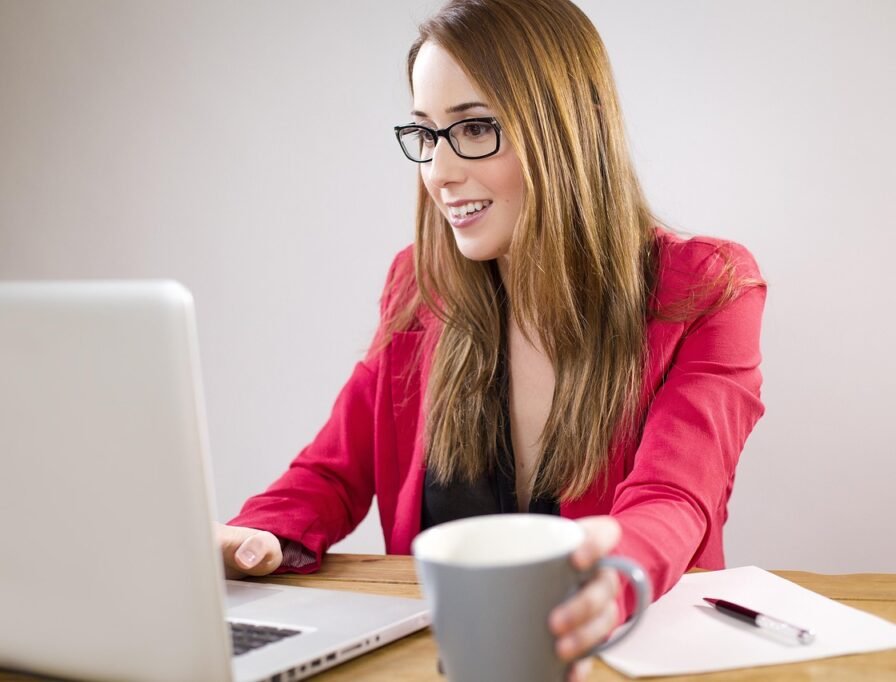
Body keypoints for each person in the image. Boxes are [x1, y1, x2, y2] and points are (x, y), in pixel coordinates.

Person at [218, 0, 766, 678]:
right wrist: (252, 536)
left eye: (475, 128)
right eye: (427, 133)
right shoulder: (419, 288)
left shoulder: (707, 287)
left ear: (565, 131)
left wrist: (611, 572)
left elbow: (676, 498)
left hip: (617, 663)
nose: (440, 173)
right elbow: (330, 472)